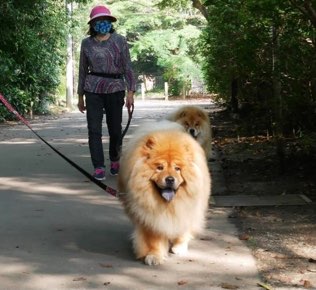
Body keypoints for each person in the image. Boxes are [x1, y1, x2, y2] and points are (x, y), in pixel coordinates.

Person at [77, 5, 136, 180]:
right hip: (92, 88)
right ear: (93, 24)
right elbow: (82, 70)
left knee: (115, 129)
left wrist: (130, 91)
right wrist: (80, 96)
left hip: (115, 88)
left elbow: (128, 67)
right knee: (94, 129)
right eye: (98, 21)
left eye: (105, 21)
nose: (102, 24)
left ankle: (115, 159)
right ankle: (99, 166)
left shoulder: (120, 41)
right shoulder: (86, 43)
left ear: (110, 22)